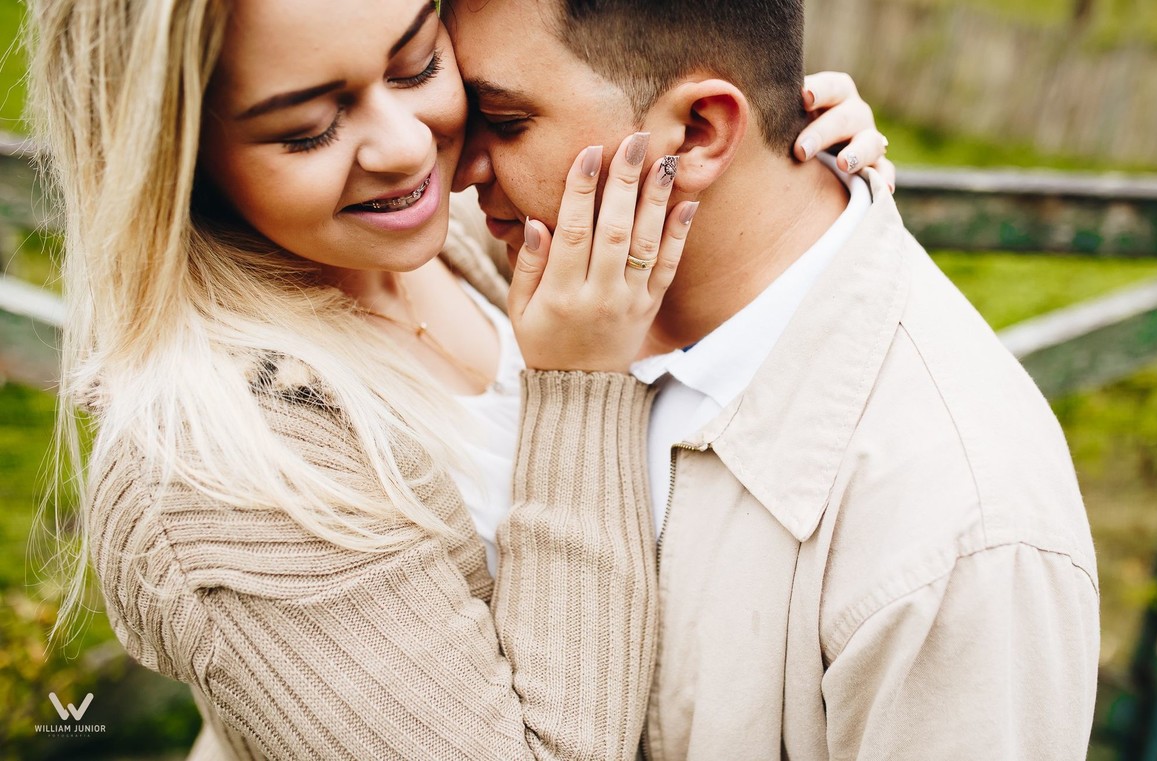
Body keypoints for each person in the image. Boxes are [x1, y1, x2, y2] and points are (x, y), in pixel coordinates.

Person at [28, 0, 888, 758]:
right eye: (309, 127)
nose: (410, 148)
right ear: (175, 158)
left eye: (415, 65)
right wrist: (578, 386)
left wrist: (776, 171)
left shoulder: (444, 242)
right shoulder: (213, 474)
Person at [445, 0, 1102, 759]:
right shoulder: (553, 281)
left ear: (698, 132)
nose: (458, 169)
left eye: (504, 120)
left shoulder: (958, 537)